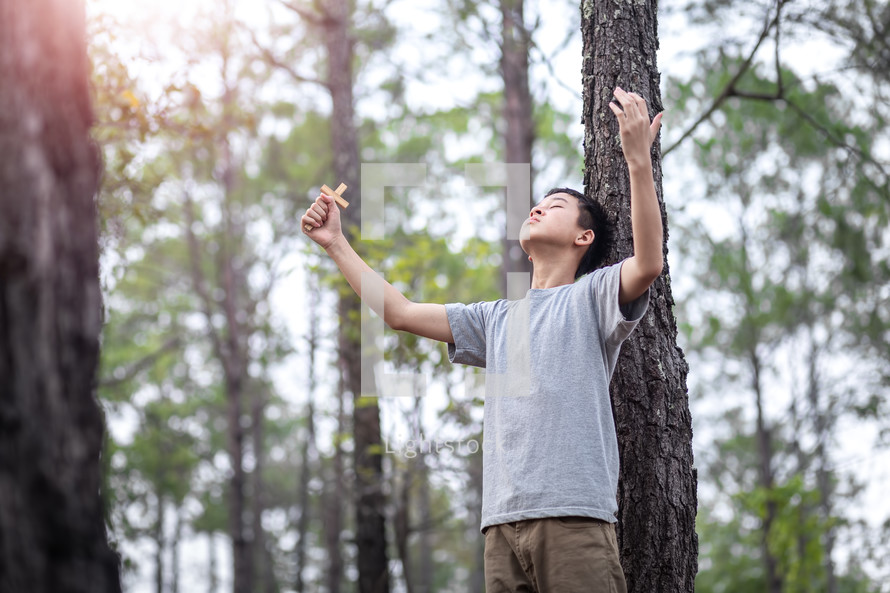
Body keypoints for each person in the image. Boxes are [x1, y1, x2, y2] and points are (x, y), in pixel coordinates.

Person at [301, 87, 664, 593]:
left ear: (584, 238)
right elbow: (400, 313)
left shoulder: (592, 296)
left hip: (573, 518)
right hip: (500, 528)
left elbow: (648, 263)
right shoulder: (496, 319)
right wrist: (336, 243)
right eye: (535, 205)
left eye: (554, 206)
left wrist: (637, 161)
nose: (537, 209)